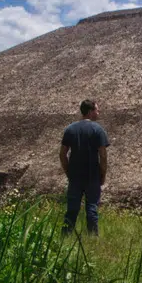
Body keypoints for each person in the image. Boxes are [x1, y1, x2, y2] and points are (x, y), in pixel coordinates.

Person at [59, 99, 109, 236]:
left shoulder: (70, 129)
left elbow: (62, 154)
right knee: (92, 208)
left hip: (75, 175)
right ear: (90, 112)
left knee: (72, 209)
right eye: (97, 110)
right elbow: (103, 156)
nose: (98, 113)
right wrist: (102, 174)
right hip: (92, 175)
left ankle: (65, 235)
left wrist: (69, 172)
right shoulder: (98, 130)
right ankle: (93, 238)